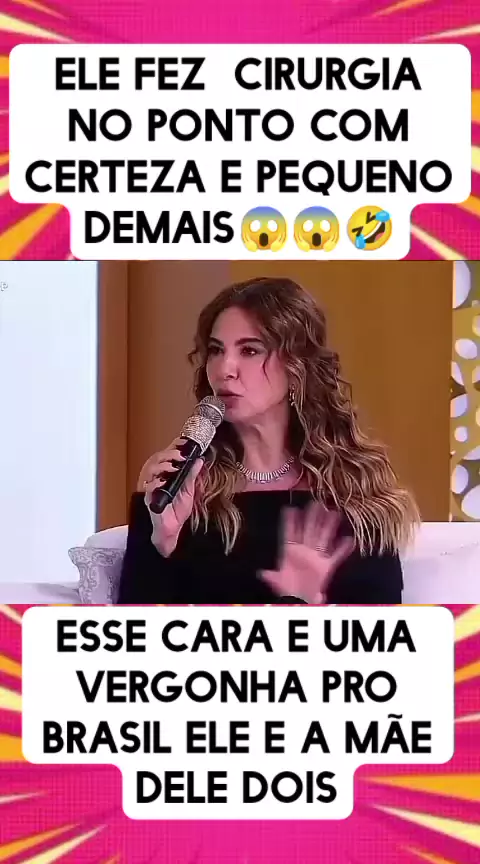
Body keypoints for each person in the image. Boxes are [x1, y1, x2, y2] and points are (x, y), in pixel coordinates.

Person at [117, 276, 419, 605]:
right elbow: (137, 632)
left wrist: (302, 600)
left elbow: (385, 633)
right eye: (216, 350)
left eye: (249, 350)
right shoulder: (175, 488)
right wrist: (161, 544)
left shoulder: (356, 490)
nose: (225, 369)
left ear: (296, 366)